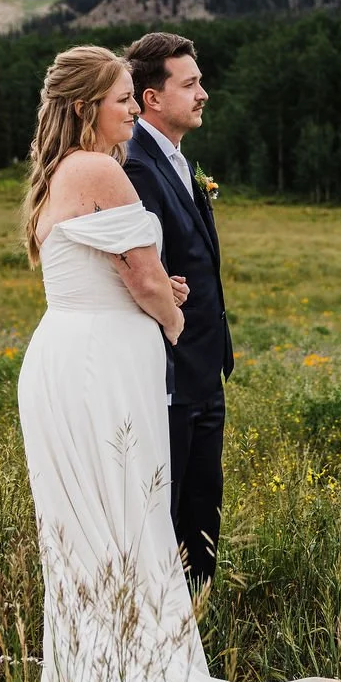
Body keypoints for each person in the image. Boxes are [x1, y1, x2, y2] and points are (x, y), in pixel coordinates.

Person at [16, 44, 341, 682]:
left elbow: (106, 267)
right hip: (101, 370)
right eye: (125, 97)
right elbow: (146, 275)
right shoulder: (103, 168)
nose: (132, 109)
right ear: (91, 106)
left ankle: (90, 679)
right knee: (131, 525)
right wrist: (171, 314)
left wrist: (155, 291)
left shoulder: (60, 175)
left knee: (92, 534)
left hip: (63, 364)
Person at [122, 32, 231, 589]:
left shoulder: (176, 160)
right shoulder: (138, 167)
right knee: (174, 515)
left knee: (202, 509)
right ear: (152, 99)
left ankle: (198, 629)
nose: (203, 93)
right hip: (170, 373)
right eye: (189, 84)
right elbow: (143, 275)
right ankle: (173, 634)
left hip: (202, 369)